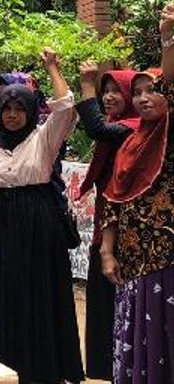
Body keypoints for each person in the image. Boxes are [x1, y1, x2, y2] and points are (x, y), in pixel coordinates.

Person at [0, 48, 83, 383]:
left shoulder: (43, 138)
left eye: (20, 108)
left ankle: (44, 370)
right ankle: (6, 367)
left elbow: (65, 109)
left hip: (39, 223)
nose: (13, 115)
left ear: (31, 111)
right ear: (0, 111)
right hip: (1, 224)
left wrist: (53, 68)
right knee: (4, 292)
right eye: (7, 108)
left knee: (40, 292)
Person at [102, 3, 174, 384]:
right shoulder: (131, 143)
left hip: (167, 255)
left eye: (153, 91)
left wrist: (167, 37)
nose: (145, 98)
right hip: (132, 257)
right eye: (139, 92)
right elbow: (113, 201)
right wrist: (107, 251)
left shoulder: (168, 135)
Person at [75, 61, 138, 381]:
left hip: (126, 228)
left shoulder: (134, 127)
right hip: (105, 220)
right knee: (101, 299)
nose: (109, 96)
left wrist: (87, 84)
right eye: (105, 91)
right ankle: (102, 369)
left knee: (120, 302)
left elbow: (95, 128)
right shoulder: (119, 125)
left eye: (117, 91)